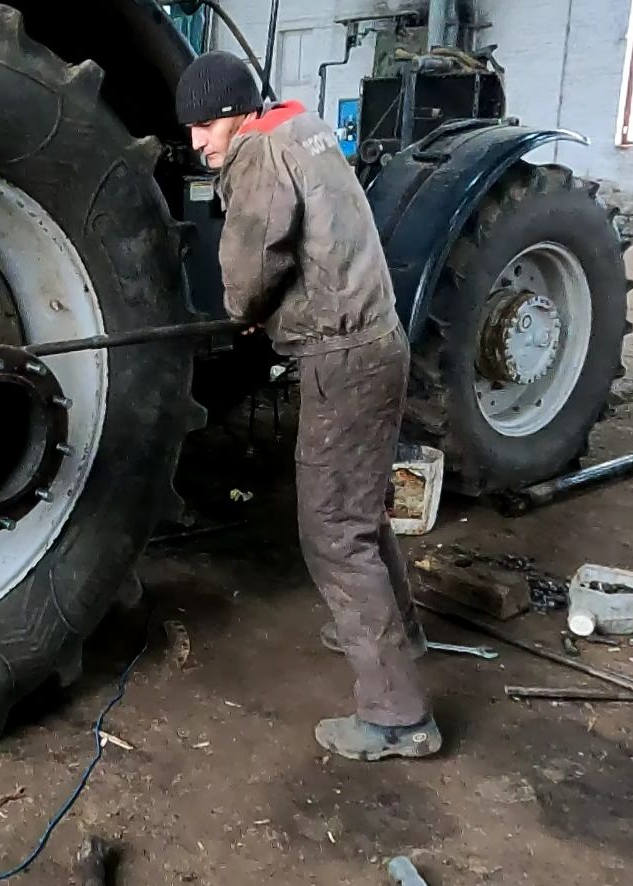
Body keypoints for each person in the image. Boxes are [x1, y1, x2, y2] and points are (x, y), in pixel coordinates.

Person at [175, 50, 441, 761]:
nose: (200, 142)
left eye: (205, 125)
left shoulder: (256, 157)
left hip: (342, 357)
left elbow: (252, 264)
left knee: (331, 531)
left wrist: (241, 311)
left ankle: (397, 716)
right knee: (360, 510)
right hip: (379, 339)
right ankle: (401, 633)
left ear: (236, 110)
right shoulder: (305, 129)